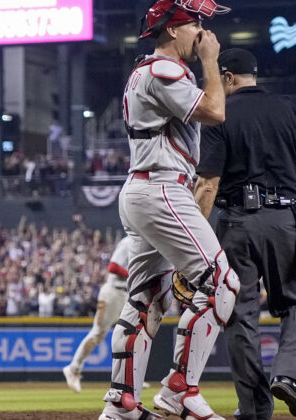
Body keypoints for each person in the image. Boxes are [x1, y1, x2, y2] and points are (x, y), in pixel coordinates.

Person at [99, 1, 239, 419]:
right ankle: (180, 388)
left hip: (146, 188)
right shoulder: (165, 69)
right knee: (221, 284)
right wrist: (212, 62)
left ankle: (122, 402)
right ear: (174, 29)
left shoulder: (148, 71)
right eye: (195, 22)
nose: (202, 31)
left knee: (145, 299)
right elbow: (214, 112)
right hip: (162, 188)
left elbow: (205, 107)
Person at [196, 48, 296, 420]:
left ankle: (255, 410)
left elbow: (207, 184)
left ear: (227, 77)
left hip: (236, 222)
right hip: (285, 218)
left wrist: (194, 243)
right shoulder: (288, 108)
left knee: (241, 318)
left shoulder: (220, 115)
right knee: (295, 303)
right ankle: (288, 373)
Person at [63, 236, 149, 393]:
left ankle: (129, 377)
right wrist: (133, 275)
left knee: (133, 334)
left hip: (127, 294)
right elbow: (113, 267)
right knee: (98, 333)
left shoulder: (145, 243)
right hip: (113, 292)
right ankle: (73, 368)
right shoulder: (129, 241)